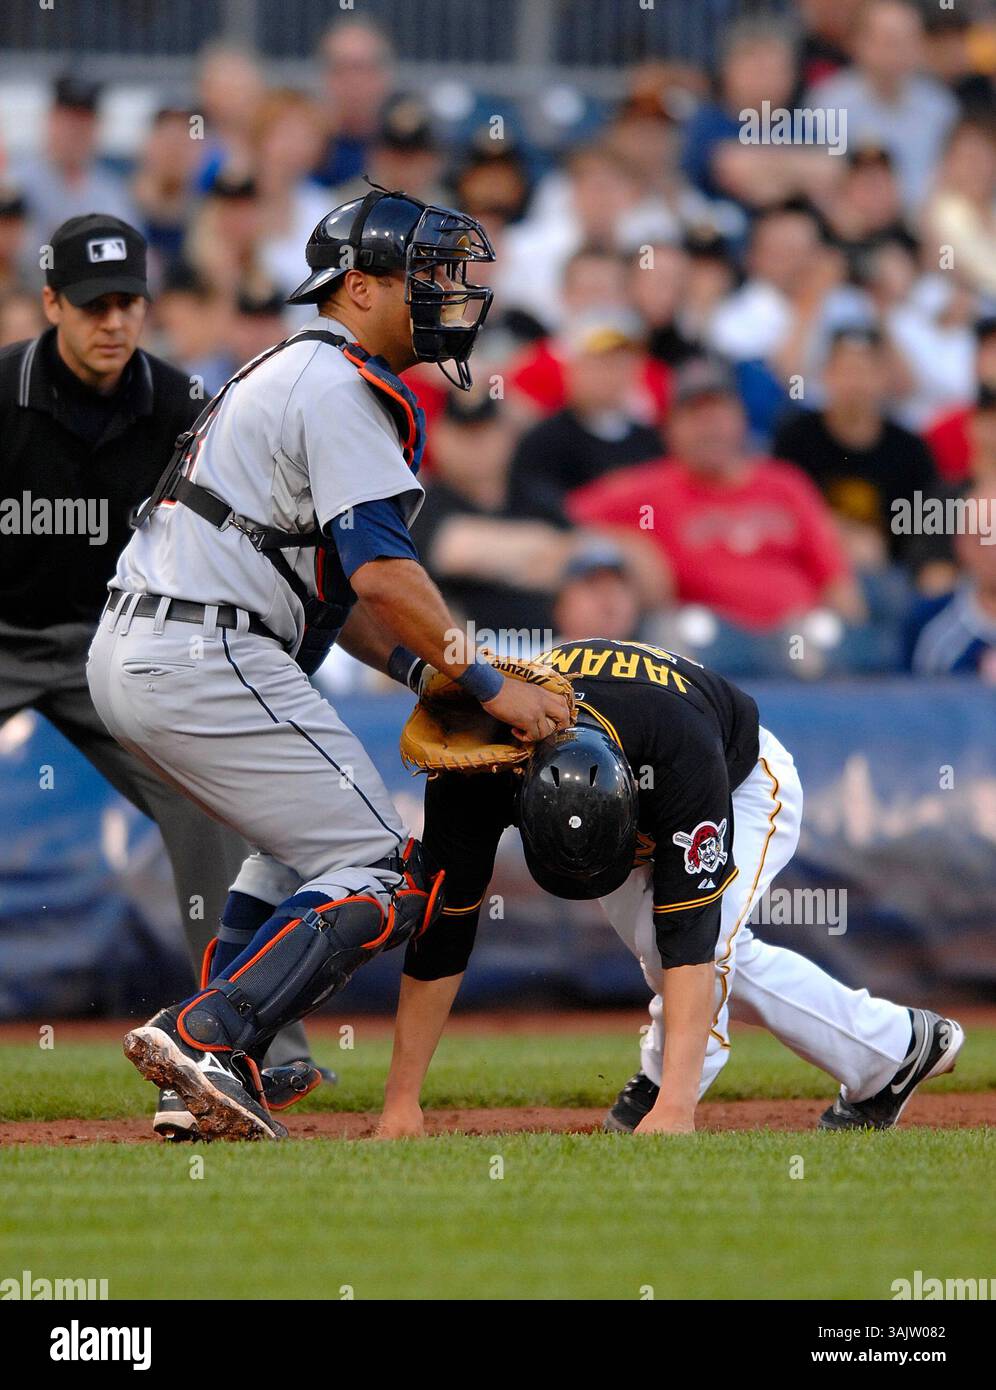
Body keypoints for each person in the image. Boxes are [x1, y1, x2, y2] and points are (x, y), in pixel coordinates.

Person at [92, 189, 571, 1140]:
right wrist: (486, 680)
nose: (446, 294)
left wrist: (421, 674)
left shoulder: (292, 371)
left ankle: (204, 1076)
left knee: (296, 849)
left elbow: (341, 596)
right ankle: (211, 1033)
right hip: (206, 647)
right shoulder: (341, 385)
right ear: (359, 288)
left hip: (154, 645)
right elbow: (388, 577)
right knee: (387, 871)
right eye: (423, 276)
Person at [0, 213, 324, 1137]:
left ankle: (247, 1043)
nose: (114, 321)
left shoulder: (183, 404)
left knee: (212, 804)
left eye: (129, 302)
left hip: (111, 643)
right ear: (51, 302)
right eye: (94, 303)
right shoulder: (1, 392)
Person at [378, 636, 964, 1137]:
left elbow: (688, 932)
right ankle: (897, 1049)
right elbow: (444, 929)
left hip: (742, 781)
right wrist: (401, 1103)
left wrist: (673, 1108)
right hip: (630, 759)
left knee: (686, 946)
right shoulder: (476, 768)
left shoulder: (678, 753)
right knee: (709, 956)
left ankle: (664, 1084)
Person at [568, 357, 864, 635]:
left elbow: (833, 576)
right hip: (706, 646)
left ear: (740, 418)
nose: (709, 428)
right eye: (695, 416)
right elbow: (563, 520)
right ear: (670, 428)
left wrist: (851, 641)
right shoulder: (647, 489)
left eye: (718, 414)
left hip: (797, 639)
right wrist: (626, 544)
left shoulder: (784, 483)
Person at [772, 327, 954, 590]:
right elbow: (777, 507)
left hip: (889, 575)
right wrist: (837, 535)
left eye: (865, 371)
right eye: (845, 370)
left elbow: (930, 529)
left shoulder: (911, 450)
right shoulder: (796, 437)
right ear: (826, 375)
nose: (855, 383)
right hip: (807, 568)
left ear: (883, 379)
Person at [506, 309, 664, 527]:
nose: (611, 374)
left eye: (621, 363)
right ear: (573, 368)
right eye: (601, 363)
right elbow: (541, 514)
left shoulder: (652, 441)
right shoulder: (544, 443)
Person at [806, 0, 959, 211]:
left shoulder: (941, 106)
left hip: (931, 225)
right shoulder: (829, 104)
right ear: (859, 43)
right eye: (890, 41)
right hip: (861, 229)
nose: (901, 51)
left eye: (909, 40)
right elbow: (823, 186)